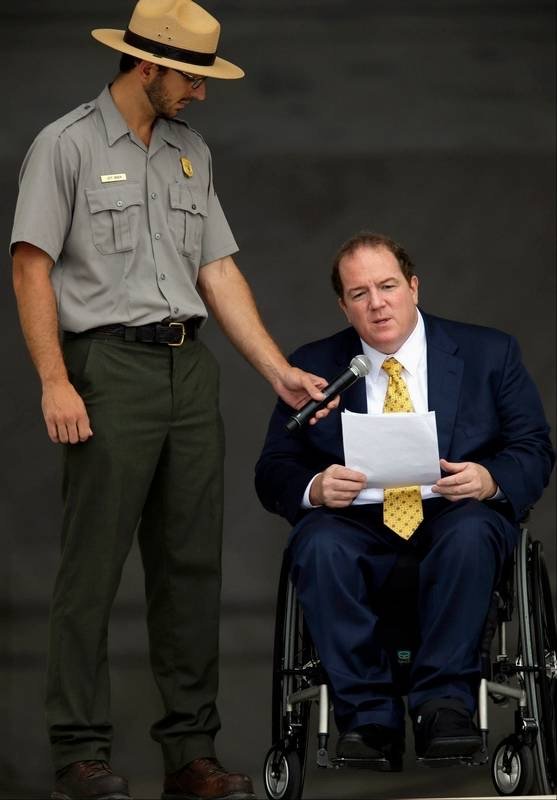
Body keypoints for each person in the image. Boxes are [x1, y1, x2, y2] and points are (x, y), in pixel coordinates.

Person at [10, 2, 338, 799]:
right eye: (192, 76)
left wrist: (273, 369)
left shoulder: (193, 152)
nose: (201, 92)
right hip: (106, 371)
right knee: (92, 569)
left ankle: (190, 753)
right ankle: (79, 753)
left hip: (187, 374)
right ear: (145, 65)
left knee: (190, 568)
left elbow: (216, 271)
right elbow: (29, 266)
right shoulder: (67, 144)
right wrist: (55, 379)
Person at [255, 231, 554, 769]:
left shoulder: (489, 352)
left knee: (471, 532)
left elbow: (534, 447)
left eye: (388, 285)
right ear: (344, 306)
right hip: (355, 519)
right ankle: (369, 717)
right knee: (317, 544)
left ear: (414, 287)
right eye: (359, 293)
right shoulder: (315, 365)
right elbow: (273, 469)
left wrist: (489, 479)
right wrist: (314, 487)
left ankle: (444, 704)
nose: (377, 303)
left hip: (453, 509)